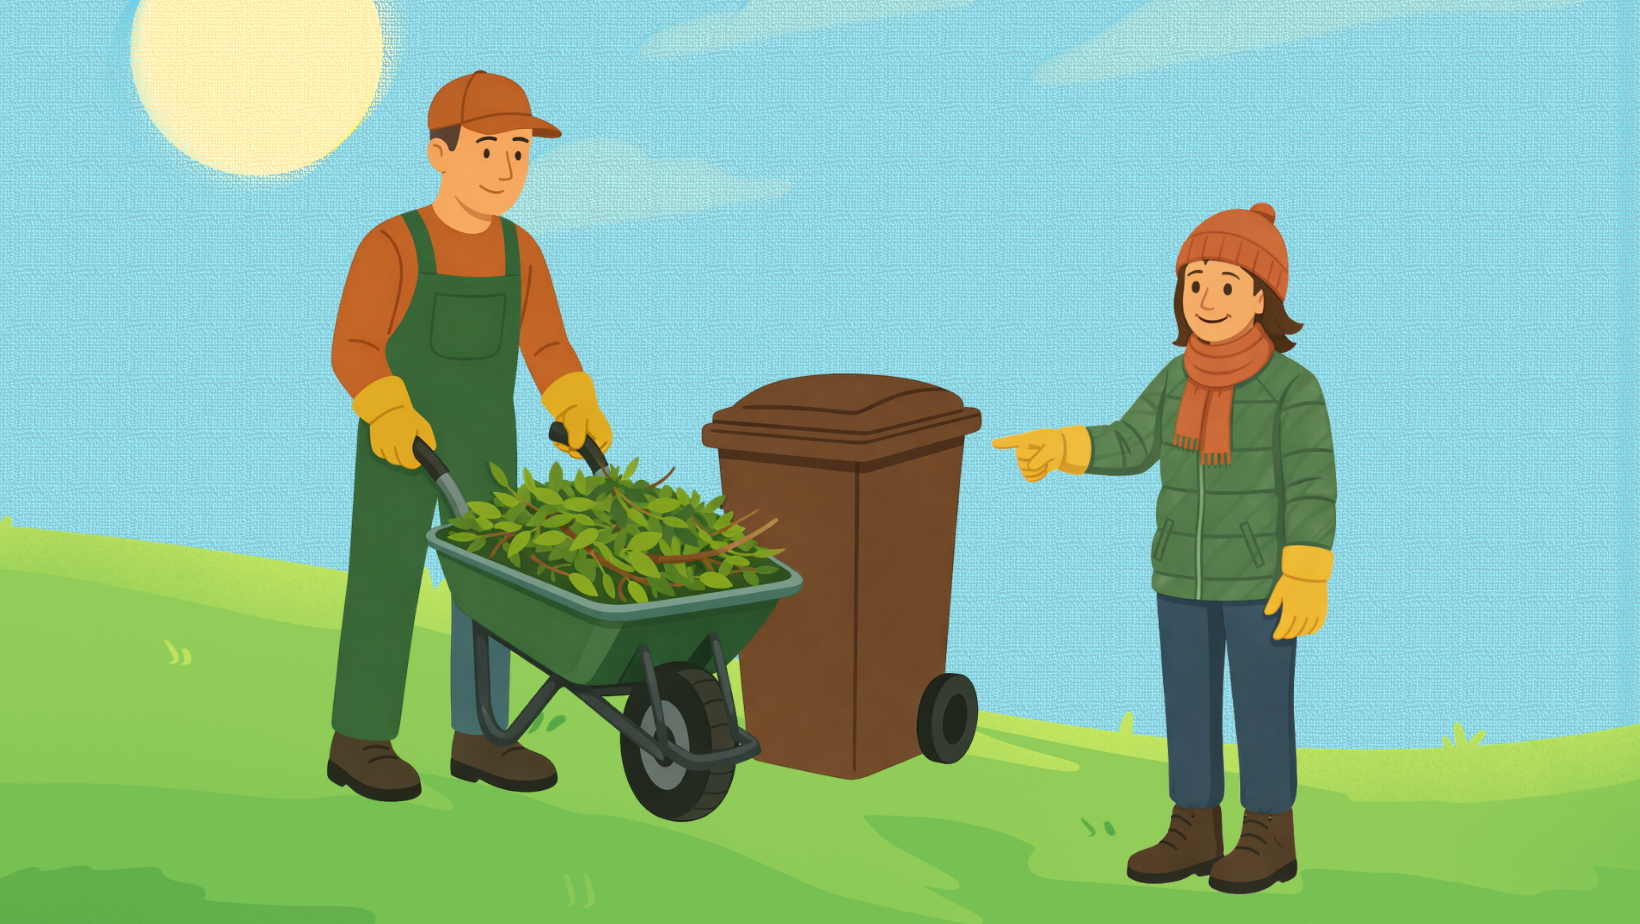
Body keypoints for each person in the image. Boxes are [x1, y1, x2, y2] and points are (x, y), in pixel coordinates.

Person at [992, 203, 1336, 895]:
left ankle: (1270, 832)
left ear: (1262, 299)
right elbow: (1130, 441)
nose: (1207, 298)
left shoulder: (1291, 389)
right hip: (1179, 574)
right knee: (1188, 703)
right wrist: (1063, 447)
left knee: (1262, 705)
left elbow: (1311, 484)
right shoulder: (1176, 378)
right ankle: (1194, 824)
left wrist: (1307, 573)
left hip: (1261, 582)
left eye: (1227, 284)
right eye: (1195, 282)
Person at [325, 71, 614, 803]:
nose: (507, 168)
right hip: (401, 446)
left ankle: (482, 736)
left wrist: (573, 400)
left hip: (487, 445)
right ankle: (360, 738)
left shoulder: (522, 253)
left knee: (493, 591)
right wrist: (387, 409)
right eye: (488, 150)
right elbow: (354, 345)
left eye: (520, 151)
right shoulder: (393, 245)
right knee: (385, 582)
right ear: (440, 155)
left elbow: (546, 345)